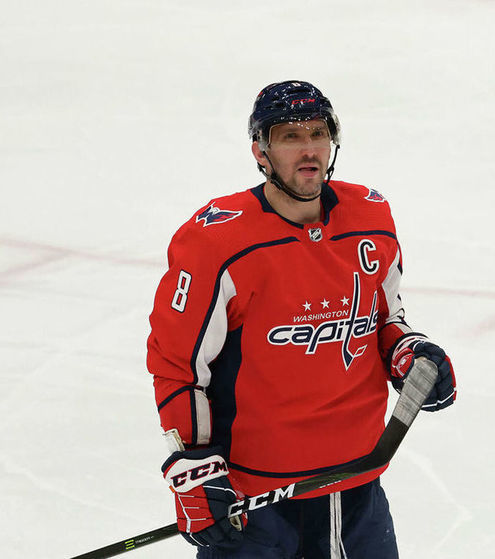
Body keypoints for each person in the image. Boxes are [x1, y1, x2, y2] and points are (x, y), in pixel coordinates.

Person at [146, 80, 457, 559]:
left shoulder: (370, 217)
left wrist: (407, 354)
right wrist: (195, 468)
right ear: (261, 151)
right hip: (255, 504)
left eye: (318, 133)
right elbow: (178, 365)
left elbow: (384, 317)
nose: (309, 148)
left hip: (358, 485)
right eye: (290, 136)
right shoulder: (217, 241)